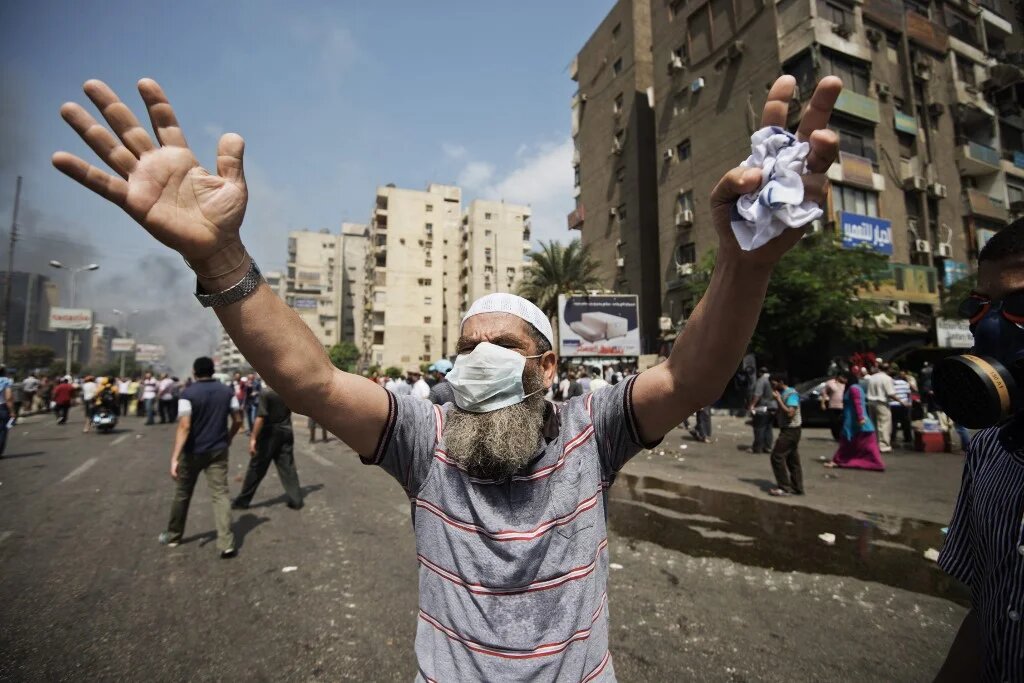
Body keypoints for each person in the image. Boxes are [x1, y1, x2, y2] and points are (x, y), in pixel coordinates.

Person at [52, 72, 839, 680]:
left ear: (548, 365)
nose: (482, 358)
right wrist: (220, 256)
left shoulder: (589, 431)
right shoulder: (425, 437)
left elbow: (692, 377)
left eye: (504, 344)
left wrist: (744, 264)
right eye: (470, 346)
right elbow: (316, 382)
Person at [934, 217, 1024, 680]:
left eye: (1020, 304)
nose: (988, 329)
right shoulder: (990, 452)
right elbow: (988, 615)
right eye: (980, 305)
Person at [158, 357, 242, 558]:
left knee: (183, 493)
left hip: (193, 451)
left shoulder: (188, 393)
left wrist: (175, 457)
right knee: (220, 494)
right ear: (213, 371)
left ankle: (173, 536)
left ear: (195, 372)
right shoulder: (227, 391)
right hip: (218, 450)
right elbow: (238, 419)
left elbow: (185, 426)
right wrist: (228, 438)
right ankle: (226, 543)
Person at [233, 386, 303, 510]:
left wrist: (253, 438)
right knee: (287, 467)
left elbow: (261, 417)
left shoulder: (266, 393)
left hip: (269, 434)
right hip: (286, 431)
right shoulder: (287, 390)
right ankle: (296, 499)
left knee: (257, 468)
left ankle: (243, 501)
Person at [826, 370, 885, 471]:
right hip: (856, 420)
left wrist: (860, 417)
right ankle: (870, 462)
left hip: (855, 421)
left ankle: (839, 460)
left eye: (841, 378)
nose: (839, 380)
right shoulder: (855, 388)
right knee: (864, 444)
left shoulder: (853, 389)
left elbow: (858, 404)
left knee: (849, 442)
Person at [767, 373, 803, 496]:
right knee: (792, 459)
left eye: (774, 383)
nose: (773, 386)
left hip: (791, 430)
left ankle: (784, 487)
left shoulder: (791, 394)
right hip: (789, 430)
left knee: (777, 456)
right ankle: (797, 487)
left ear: (781, 382)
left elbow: (790, 413)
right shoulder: (784, 394)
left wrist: (778, 400)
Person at [864, 364, 898, 453]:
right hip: (881, 402)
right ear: (889, 369)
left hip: (871, 402)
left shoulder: (872, 377)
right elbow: (890, 393)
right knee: (884, 424)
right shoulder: (887, 378)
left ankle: (874, 444)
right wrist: (901, 401)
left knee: (874, 423)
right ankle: (884, 446)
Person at [748, 366, 774, 453]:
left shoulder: (761, 381)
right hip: (770, 408)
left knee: (759, 428)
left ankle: (757, 448)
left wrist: (752, 405)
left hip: (761, 408)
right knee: (768, 428)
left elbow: (757, 395)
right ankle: (767, 446)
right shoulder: (769, 380)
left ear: (760, 373)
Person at [889, 367, 912, 448]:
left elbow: (890, 394)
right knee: (906, 422)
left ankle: (893, 438)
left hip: (893, 405)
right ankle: (908, 438)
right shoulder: (906, 383)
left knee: (893, 422)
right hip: (904, 404)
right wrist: (909, 402)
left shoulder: (891, 383)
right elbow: (908, 394)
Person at [821, 373, 846, 441]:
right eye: (842, 377)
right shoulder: (830, 383)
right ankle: (836, 436)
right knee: (833, 422)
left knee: (841, 422)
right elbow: (824, 393)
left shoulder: (846, 384)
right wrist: (823, 403)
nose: (843, 379)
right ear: (838, 377)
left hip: (842, 406)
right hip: (833, 405)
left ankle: (841, 436)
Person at [0, 367, 12, 456]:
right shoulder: (6, 381)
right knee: (2, 430)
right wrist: (12, 411)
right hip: (2, 407)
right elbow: (8, 397)